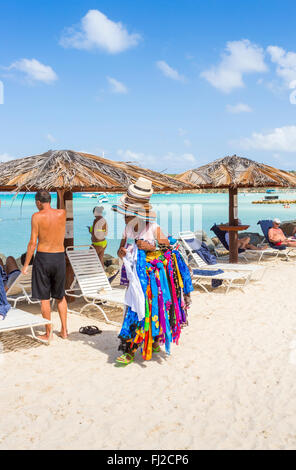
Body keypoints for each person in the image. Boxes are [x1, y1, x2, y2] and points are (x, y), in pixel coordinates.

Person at [112, 177, 193, 366]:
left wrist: (150, 247)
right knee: (134, 310)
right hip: (135, 279)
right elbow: (119, 250)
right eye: (125, 214)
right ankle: (130, 350)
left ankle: (154, 340)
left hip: (153, 278)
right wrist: (122, 252)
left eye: (128, 214)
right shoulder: (128, 229)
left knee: (153, 309)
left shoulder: (154, 229)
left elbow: (169, 249)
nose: (125, 217)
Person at [22, 190, 68, 341]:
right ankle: (64, 331)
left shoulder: (36, 217)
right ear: (50, 200)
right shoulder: (62, 213)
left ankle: (48, 333)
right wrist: (60, 194)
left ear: (38, 202)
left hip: (43, 258)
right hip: (59, 258)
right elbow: (61, 205)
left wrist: (26, 265)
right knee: (60, 296)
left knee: (44, 298)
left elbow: (32, 243)